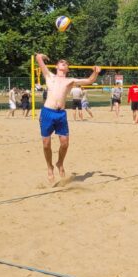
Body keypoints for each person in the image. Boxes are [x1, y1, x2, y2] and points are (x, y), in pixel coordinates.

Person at [35, 53, 101, 182]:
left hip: (60, 114)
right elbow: (38, 59)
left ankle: (59, 163)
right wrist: (42, 56)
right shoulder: (49, 76)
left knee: (65, 144)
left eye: (65, 63)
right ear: (56, 66)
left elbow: (89, 81)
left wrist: (96, 72)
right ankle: (49, 167)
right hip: (47, 112)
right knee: (46, 144)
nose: (63, 63)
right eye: (61, 62)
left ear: (67, 69)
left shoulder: (70, 81)